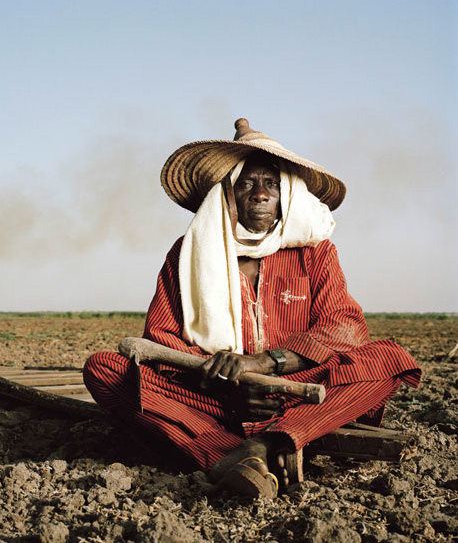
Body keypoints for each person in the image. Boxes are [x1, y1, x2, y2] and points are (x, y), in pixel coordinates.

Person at [83, 118, 421, 499]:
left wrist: (263, 364)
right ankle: (232, 454)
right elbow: (163, 342)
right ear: (227, 196)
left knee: (389, 358)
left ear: (287, 196)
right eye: (246, 183)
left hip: (294, 392)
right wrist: (225, 384)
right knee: (105, 369)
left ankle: (265, 444)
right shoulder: (188, 254)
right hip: (213, 400)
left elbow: (345, 328)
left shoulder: (315, 253)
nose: (259, 193)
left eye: (271, 184)